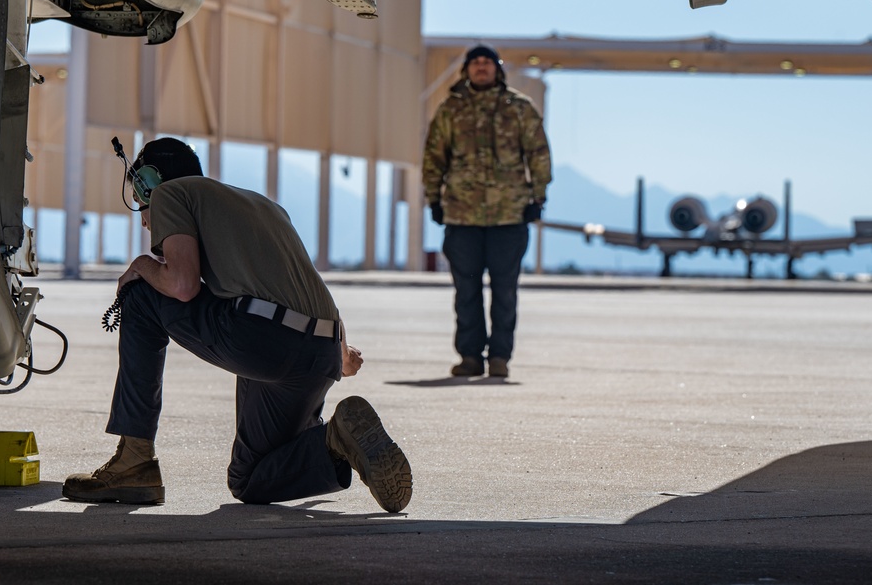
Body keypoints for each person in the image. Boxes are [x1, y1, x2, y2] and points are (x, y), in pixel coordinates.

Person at [63, 137, 412, 513]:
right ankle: (334, 439)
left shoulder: (170, 196)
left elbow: (181, 285)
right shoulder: (265, 206)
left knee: (141, 295)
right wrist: (342, 354)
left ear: (149, 183)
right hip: (320, 352)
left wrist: (140, 266)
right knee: (248, 479)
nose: (144, 218)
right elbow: (305, 286)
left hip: (265, 343)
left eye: (139, 199)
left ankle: (134, 462)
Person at [422, 45, 552, 379]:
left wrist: (538, 197)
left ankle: (499, 357)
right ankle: (469, 356)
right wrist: (434, 199)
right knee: (466, 291)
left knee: (505, 290)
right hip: (462, 215)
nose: (481, 68)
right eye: (475, 63)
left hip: (509, 214)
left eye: (487, 63)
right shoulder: (451, 109)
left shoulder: (519, 108)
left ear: (497, 69)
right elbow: (434, 156)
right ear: (466, 70)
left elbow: (538, 153)